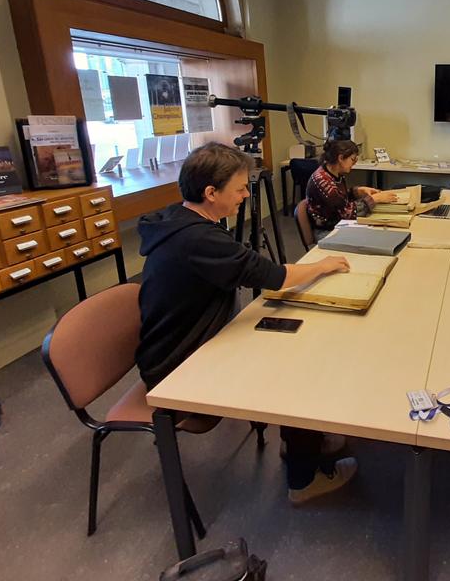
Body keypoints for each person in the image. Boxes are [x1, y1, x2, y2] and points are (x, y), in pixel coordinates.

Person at [137, 142, 357, 503]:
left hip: (195, 340)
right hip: (179, 366)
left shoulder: (182, 220)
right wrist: (320, 266)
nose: (245, 196)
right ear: (211, 193)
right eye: (239, 188)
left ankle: (305, 439)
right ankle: (304, 479)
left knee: (297, 341)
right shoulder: (200, 239)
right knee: (302, 365)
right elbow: (266, 272)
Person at [305, 139, 397, 231]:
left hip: (338, 223)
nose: (354, 163)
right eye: (353, 159)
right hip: (327, 230)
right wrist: (374, 199)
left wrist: (357, 192)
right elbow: (346, 214)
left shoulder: (334, 173)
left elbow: (339, 200)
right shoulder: (323, 181)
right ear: (340, 158)